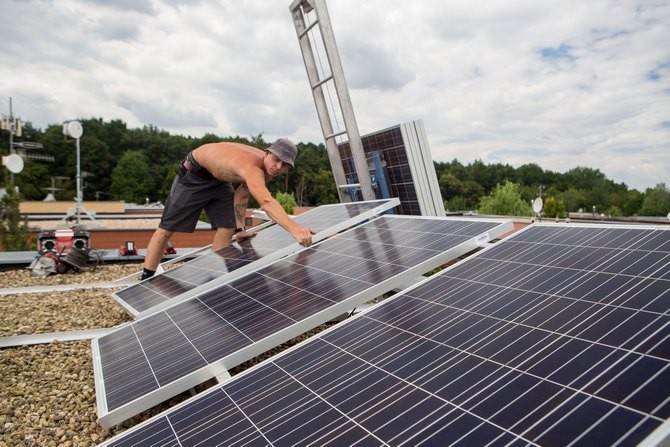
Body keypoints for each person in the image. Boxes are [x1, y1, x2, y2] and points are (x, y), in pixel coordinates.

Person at [141, 138, 314, 280]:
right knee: (166, 230)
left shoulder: (268, 170)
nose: (278, 167)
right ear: (267, 153)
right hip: (194, 175)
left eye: (284, 165)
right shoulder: (252, 168)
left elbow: (241, 196)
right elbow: (266, 202)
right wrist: (295, 229)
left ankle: (218, 273)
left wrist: (241, 229)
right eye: (276, 160)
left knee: (227, 227)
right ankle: (147, 277)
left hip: (219, 181)